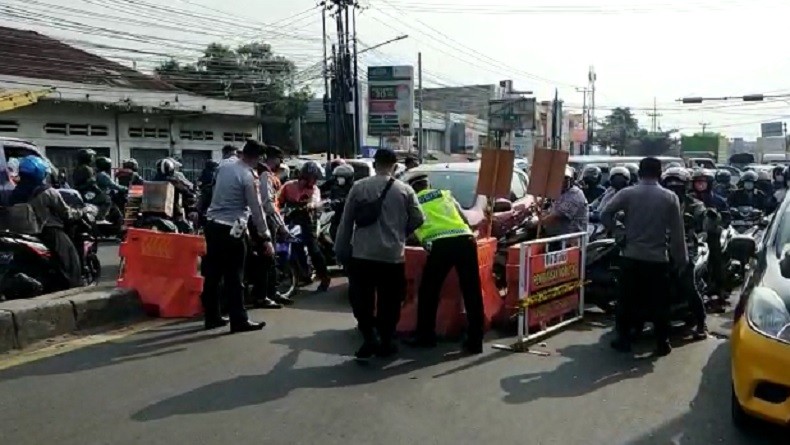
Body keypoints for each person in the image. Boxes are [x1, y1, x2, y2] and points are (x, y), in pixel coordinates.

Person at [335, 148, 424, 360]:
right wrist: (401, 233)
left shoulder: (359, 187)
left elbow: (346, 222)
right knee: (390, 301)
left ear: (374, 165)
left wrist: (341, 250)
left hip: (363, 254)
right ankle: (386, 340)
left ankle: (369, 338)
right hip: (392, 256)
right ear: (394, 166)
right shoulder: (404, 190)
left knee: (362, 299)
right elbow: (419, 218)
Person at [600, 157, 687, 357]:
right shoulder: (670, 197)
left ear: (639, 172)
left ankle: (623, 340)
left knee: (626, 300)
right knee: (659, 303)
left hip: (631, 256)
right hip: (658, 259)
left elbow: (605, 214)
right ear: (660, 174)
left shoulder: (628, 194)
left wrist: (619, 232)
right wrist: (681, 261)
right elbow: (677, 233)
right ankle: (662, 342)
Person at [404, 173, 484, 354]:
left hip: (440, 244)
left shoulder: (413, 201)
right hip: (465, 240)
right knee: (472, 292)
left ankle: (426, 336)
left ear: (412, 189)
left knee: (428, 291)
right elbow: (464, 217)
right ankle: (475, 342)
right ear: (429, 184)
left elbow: (411, 226)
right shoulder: (444, 194)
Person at [200, 139, 269, 333]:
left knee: (212, 275)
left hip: (212, 225)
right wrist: (265, 235)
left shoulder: (225, 166)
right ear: (257, 158)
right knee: (234, 277)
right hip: (232, 230)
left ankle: (211, 317)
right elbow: (256, 209)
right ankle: (238, 320)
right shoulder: (248, 176)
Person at [10, 156, 83, 289]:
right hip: (47, 232)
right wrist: (79, 213)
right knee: (69, 258)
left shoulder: (15, 192)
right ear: (40, 173)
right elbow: (66, 213)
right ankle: (73, 285)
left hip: (21, 233)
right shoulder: (48, 192)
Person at [660, 167, 708, 339]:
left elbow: (702, 216)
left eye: (678, 186)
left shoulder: (694, 204)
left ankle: (701, 322)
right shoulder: (660, 202)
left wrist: (706, 218)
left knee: (688, 284)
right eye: (670, 185)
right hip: (660, 248)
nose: (674, 188)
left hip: (686, 249)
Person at [278, 161, 331, 291]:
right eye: (314, 178)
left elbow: (315, 200)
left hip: (307, 221)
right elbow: (277, 200)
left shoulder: (314, 190)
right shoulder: (288, 186)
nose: (315, 181)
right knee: (290, 244)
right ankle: (301, 273)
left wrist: (311, 205)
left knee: (313, 249)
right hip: (290, 220)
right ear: (306, 176)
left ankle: (324, 277)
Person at [249, 145, 289, 309]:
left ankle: (272, 292)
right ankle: (261, 296)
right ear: (275, 159)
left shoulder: (267, 174)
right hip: (264, 220)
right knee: (266, 258)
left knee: (271, 259)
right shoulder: (265, 175)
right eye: (280, 159)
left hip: (267, 219)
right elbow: (268, 204)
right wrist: (281, 225)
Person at [539, 166, 588, 241]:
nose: (562, 181)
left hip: (571, 241)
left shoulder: (574, 195)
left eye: (565, 178)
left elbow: (556, 217)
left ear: (571, 180)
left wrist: (537, 223)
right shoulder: (560, 193)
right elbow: (551, 211)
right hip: (559, 238)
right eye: (559, 178)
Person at [153, 158, 197, 233]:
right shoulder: (173, 181)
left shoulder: (153, 180)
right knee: (188, 229)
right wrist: (192, 195)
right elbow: (186, 191)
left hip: (152, 212)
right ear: (171, 169)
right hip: (172, 213)